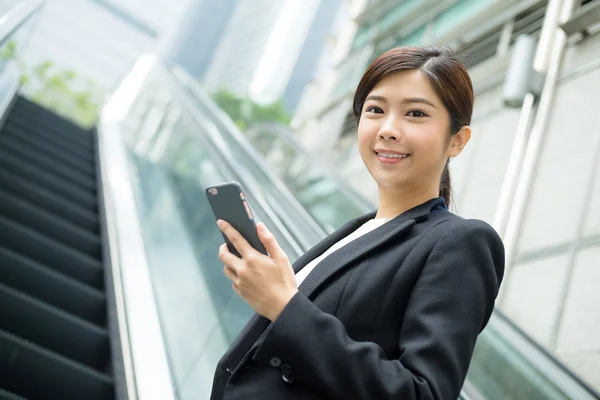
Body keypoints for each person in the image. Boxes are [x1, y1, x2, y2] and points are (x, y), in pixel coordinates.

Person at [211, 46, 505, 400]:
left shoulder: (462, 241)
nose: (389, 129)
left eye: (415, 113)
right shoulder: (352, 233)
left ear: (457, 140)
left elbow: (423, 393)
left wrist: (284, 306)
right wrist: (277, 292)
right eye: (375, 110)